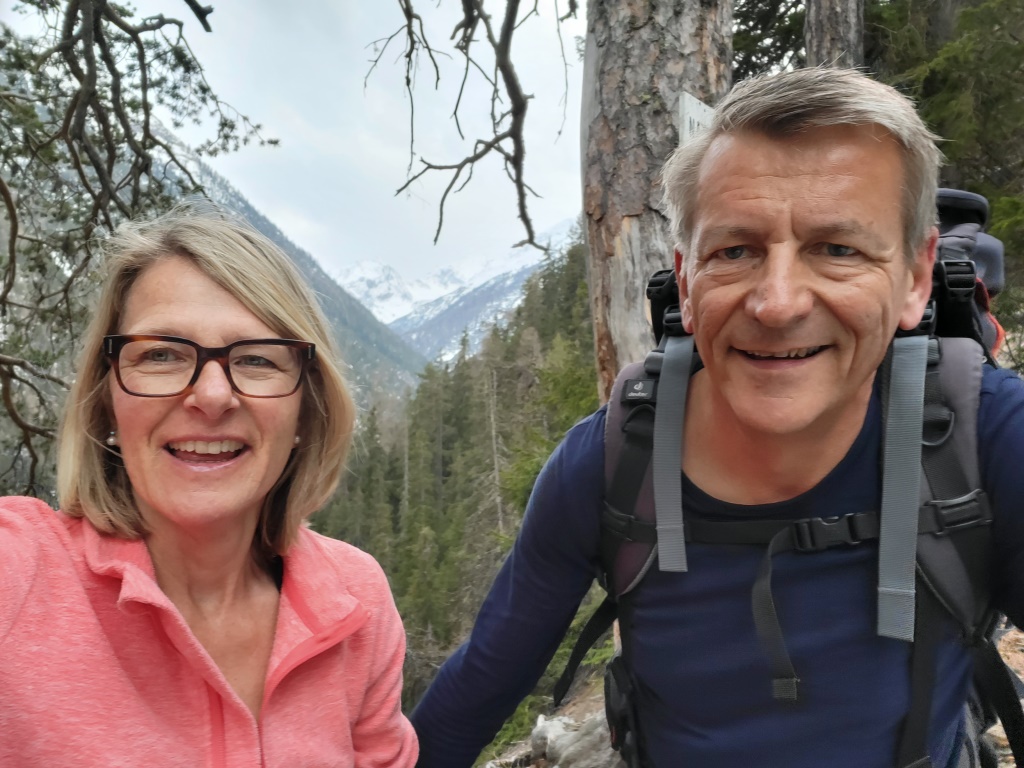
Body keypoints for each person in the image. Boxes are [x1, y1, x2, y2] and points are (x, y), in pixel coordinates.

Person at [409, 67, 1024, 768]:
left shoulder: (986, 439)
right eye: (735, 251)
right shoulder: (609, 464)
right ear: (686, 279)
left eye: (838, 249)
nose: (778, 303)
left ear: (915, 278)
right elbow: (476, 692)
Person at [0, 204, 418, 766]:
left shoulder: (354, 600)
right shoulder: (19, 573)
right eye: (162, 355)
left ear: (305, 409)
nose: (214, 396)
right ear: (106, 402)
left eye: (257, 360)